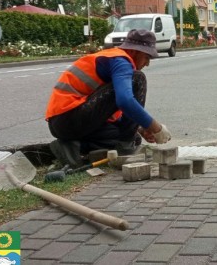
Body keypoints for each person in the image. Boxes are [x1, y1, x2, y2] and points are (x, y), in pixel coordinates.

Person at [45, 29, 171, 168]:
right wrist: (155, 127)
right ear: (135, 51)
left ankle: (73, 147)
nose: (147, 63)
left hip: (66, 124)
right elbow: (125, 101)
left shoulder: (113, 59)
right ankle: (125, 149)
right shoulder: (120, 61)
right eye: (147, 57)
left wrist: (140, 129)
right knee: (138, 79)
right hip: (67, 118)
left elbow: (107, 108)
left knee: (134, 137)